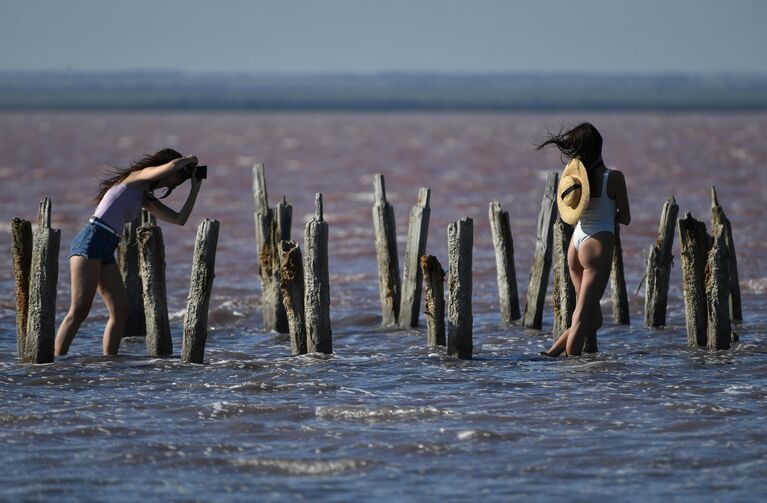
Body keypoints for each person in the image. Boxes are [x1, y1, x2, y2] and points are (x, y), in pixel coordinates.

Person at [54, 149, 203, 357]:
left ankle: (109, 362)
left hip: (107, 247)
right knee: (79, 310)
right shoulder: (136, 177)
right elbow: (170, 167)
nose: (174, 184)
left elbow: (180, 219)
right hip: (91, 239)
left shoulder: (144, 197)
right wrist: (190, 159)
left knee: (121, 310)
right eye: (178, 178)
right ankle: (54, 363)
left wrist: (194, 188)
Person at [538, 123, 630, 357]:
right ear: (599, 146)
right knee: (580, 316)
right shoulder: (614, 177)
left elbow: (571, 212)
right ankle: (573, 368)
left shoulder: (576, 179)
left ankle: (551, 354)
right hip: (597, 245)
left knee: (593, 317)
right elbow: (626, 218)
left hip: (576, 245)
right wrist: (608, 214)